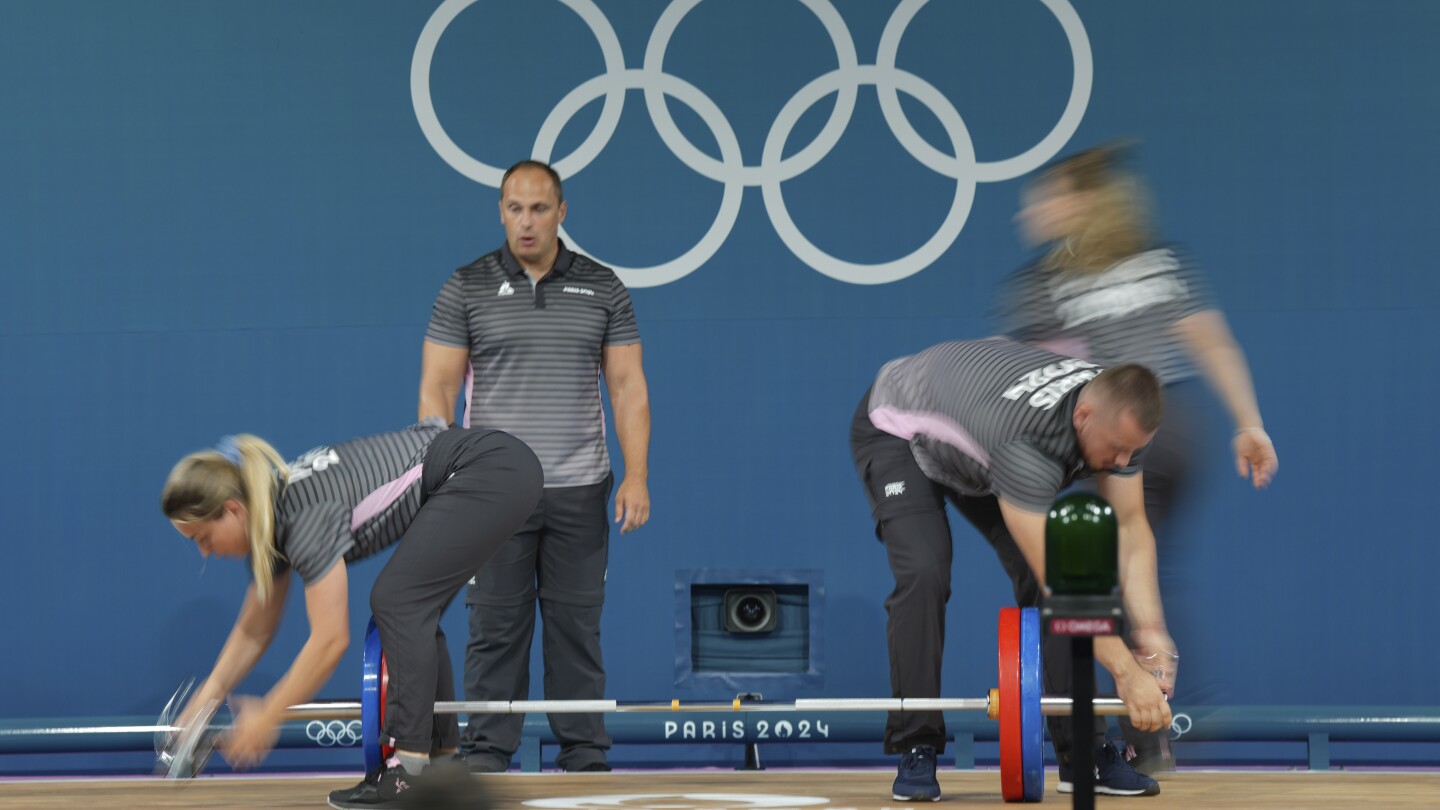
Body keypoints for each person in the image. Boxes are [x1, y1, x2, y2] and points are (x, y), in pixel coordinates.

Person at [999, 143, 1279, 771]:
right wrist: (1248, 422)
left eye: (1044, 198)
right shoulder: (1161, 262)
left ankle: (1146, 738)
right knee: (1143, 568)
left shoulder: (1045, 282)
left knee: (1109, 574)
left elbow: (1039, 382)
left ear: (1081, 204)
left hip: (1120, 430)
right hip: (1178, 428)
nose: (1031, 212)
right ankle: (1164, 718)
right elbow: (1213, 341)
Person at [850, 337, 1175, 801]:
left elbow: (1129, 525)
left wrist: (1152, 631)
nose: (1122, 463)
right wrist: (1126, 673)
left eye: (1133, 451)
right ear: (1083, 417)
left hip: (977, 439)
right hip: (900, 429)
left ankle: (1082, 753)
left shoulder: (1120, 408)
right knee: (925, 570)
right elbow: (1063, 589)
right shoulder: (1023, 445)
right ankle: (917, 744)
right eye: (1117, 449)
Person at [160, 422, 541, 809]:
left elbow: (329, 641)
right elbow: (255, 631)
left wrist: (268, 715)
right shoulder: (272, 516)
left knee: (397, 602)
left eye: (202, 538)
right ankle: (442, 762)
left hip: (489, 467)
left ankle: (409, 771)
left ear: (232, 510)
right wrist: (207, 698)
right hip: (494, 466)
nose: (205, 552)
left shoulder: (300, 517)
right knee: (408, 612)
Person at [419, 159, 651, 773]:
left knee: (577, 630)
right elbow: (437, 390)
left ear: (561, 212)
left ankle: (583, 753)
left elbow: (628, 386)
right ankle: (488, 752)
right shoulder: (465, 285)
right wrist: (440, 475)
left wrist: (636, 475)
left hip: (580, 489)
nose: (527, 221)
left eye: (540, 208)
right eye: (515, 208)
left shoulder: (603, 287)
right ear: (501, 211)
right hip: (491, 494)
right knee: (496, 629)